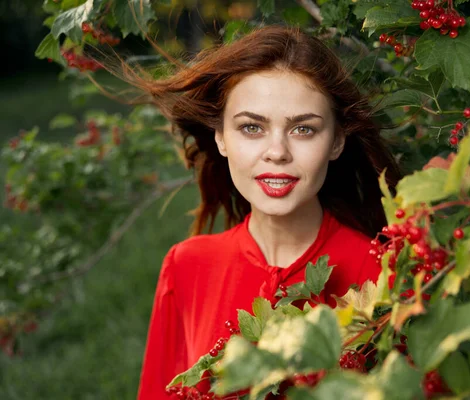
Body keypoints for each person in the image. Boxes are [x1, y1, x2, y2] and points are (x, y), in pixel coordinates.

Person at [128, 24, 402, 399]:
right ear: (221, 137)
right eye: (252, 127)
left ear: (337, 140)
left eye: (304, 129)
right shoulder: (186, 268)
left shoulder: (383, 273)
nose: (277, 152)